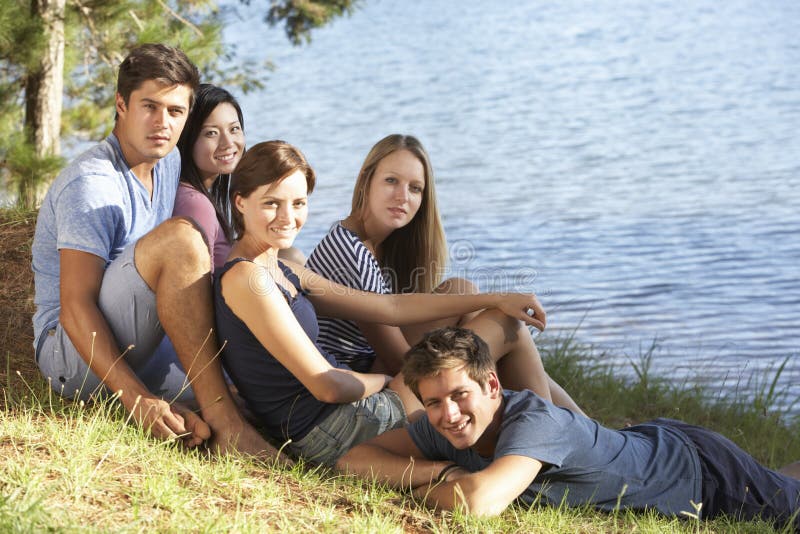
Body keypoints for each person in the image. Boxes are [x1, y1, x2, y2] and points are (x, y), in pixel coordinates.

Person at [214, 140, 552, 467]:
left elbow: (388, 308)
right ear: (241, 201)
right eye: (272, 203)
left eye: (299, 203)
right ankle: (555, 440)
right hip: (335, 429)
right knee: (505, 326)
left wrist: (497, 296)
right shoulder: (248, 279)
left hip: (342, 415)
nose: (288, 217)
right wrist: (388, 381)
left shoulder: (279, 268)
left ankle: (559, 432)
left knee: (497, 315)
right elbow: (328, 385)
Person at [31, 43, 276, 457]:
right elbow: (75, 307)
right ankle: (224, 426)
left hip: (137, 338)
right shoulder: (91, 186)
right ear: (121, 104)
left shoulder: (167, 164)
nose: (163, 123)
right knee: (181, 237)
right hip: (71, 357)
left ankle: (225, 420)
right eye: (150, 106)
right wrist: (136, 399)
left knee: (255, 399)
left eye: (176, 111)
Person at [336, 327, 800, 528]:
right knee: (783, 479)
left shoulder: (534, 422)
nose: (448, 414)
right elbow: (352, 459)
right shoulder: (445, 427)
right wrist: (439, 473)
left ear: (492, 384)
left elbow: (477, 503)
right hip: (649, 442)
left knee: (789, 505)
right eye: (433, 403)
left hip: (701, 473)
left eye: (460, 396)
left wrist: (421, 484)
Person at [306, 134, 581, 412]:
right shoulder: (352, 253)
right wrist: (491, 307)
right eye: (391, 181)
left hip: (372, 368)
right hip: (360, 395)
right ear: (366, 180)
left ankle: (581, 428)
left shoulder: (375, 244)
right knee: (500, 327)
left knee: (462, 292)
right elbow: (397, 360)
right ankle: (557, 431)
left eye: (415, 188)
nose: (403, 197)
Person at [174, 83, 305, 270]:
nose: (228, 143)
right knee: (293, 260)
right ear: (187, 138)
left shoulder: (199, 194)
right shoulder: (195, 204)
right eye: (211, 133)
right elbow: (196, 287)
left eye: (234, 129)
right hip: (237, 292)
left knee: (289, 255)